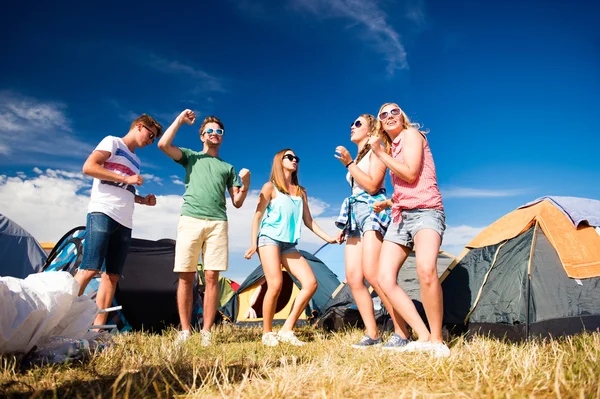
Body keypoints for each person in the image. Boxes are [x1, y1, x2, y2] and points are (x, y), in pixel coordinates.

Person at [158, 109, 250, 346]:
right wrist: (179, 120)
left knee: (211, 276)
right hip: (190, 219)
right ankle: (185, 331)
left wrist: (246, 185)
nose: (215, 134)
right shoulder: (191, 157)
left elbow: (237, 203)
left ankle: (206, 332)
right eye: (210, 130)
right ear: (202, 136)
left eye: (219, 131)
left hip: (218, 222)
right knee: (186, 276)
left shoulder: (228, 168)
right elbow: (163, 144)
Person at [367, 103, 450, 357]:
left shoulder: (412, 135)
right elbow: (407, 186)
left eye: (394, 112)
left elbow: (412, 174)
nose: (389, 116)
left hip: (427, 212)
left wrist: (380, 154)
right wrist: (390, 201)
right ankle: (422, 335)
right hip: (401, 215)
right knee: (384, 278)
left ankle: (437, 341)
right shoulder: (392, 148)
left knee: (426, 269)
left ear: (402, 118)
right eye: (383, 114)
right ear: (380, 123)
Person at [244, 149, 339, 347]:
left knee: (311, 283)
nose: (294, 160)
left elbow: (309, 221)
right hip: (269, 239)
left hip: (289, 244)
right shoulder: (270, 187)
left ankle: (287, 329)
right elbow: (257, 216)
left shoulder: (301, 191)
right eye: (290, 157)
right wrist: (253, 243)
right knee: (276, 284)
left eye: (296, 158)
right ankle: (267, 333)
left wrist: (329, 238)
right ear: (280, 160)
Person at [74, 114, 161, 328]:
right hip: (103, 211)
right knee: (89, 269)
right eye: (151, 136)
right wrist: (125, 178)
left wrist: (142, 200)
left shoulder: (136, 160)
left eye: (153, 139)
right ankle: (60, 318)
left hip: (125, 220)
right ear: (140, 127)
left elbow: (125, 189)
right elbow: (89, 167)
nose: (151, 141)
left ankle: (98, 328)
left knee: (112, 276)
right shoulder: (112, 142)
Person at [334, 114, 411, 349]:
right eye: (351, 122)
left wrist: (349, 164)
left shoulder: (377, 150)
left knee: (372, 273)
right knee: (354, 277)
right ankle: (373, 334)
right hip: (354, 214)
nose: (352, 126)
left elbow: (373, 185)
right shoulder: (359, 156)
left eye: (357, 123)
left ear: (370, 130)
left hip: (371, 209)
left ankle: (402, 331)